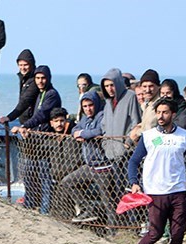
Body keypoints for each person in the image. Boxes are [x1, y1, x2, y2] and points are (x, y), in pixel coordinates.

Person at [128, 98, 186, 244]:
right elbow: (134, 161)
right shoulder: (149, 136)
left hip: (178, 190)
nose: (160, 116)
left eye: (165, 112)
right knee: (156, 232)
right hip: (155, 191)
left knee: (177, 233)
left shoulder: (184, 136)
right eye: (158, 112)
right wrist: (134, 182)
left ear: (173, 114)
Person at [11, 65, 61, 214]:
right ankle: (30, 205)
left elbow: (42, 114)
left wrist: (24, 126)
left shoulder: (51, 94)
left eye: (43, 78)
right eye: (38, 78)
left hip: (46, 143)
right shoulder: (39, 94)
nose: (40, 81)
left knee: (45, 178)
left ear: (48, 78)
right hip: (34, 141)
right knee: (29, 175)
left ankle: (46, 210)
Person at [99, 68, 141, 226]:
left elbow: (136, 123)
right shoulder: (108, 102)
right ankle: (123, 224)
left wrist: (127, 144)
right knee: (117, 191)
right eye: (107, 86)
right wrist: (105, 143)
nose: (110, 88)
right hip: (111, 154)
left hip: (126, 154)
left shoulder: (130, 97)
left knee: (129, 189)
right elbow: (104, 125)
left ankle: (134, 224)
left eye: (112, 85)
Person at [59, 90, 109, 223]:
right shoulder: (84, 118)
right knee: (68, 182)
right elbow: (75, 129)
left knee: (108, 199)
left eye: (90, 105)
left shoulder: (102, 115)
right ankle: (87, 209)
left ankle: (114, 228)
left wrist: (83, 134)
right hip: (89, 165)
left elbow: (99, 131)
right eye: (85, 106)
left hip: (103, 165)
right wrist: (78, 133)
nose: (88, 109)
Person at [0, 49, 37, 126]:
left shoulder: (34, 80)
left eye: (25, 65)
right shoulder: (23, 78)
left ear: (31, 65)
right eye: (20, 65)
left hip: (31, 120)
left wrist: (10, 117)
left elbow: (25, 101)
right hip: (24, 119)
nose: (23, 68)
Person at [129, 69, 161, 143]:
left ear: (158, 86)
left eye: (151, 86)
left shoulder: (159, 104)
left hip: (157, 143)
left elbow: (150, 127)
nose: (147, 90)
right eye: (144, 86)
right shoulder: (148, 104)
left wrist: (136, 133)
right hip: (149, 143)